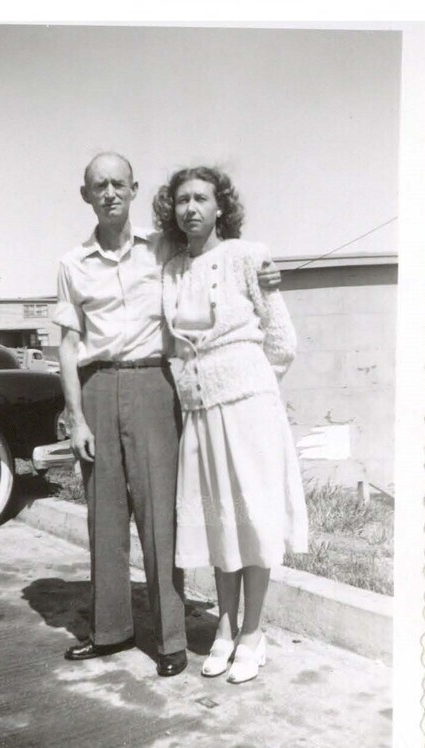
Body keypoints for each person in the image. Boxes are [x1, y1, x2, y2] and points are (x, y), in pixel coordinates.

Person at [53, 152, 281, 678]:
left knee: (161, 516)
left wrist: (265, 274)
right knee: (104, 515)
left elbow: (217, 254)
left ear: (133, 190)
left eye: (118, 183)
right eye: (98, 185)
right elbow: (66, 344)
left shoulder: (165, 249)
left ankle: (172, 638)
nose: (109, 193)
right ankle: (109, 631)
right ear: (85, 195)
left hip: (155, 383)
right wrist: (76, 417)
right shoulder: (71, 264)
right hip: (95, 388)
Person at [153, 166, 308, 684]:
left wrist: (252, 383)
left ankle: (253, 633)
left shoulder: (248, 256)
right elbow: (173, 345)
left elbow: (282, 341)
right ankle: (224, 626)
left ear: (221, 206)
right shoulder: (171, 269)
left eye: (201, 198)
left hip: (248, 409)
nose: (190, 208)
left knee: (254, 520)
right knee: (221, 523)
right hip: (200, 413)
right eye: (181, 200)